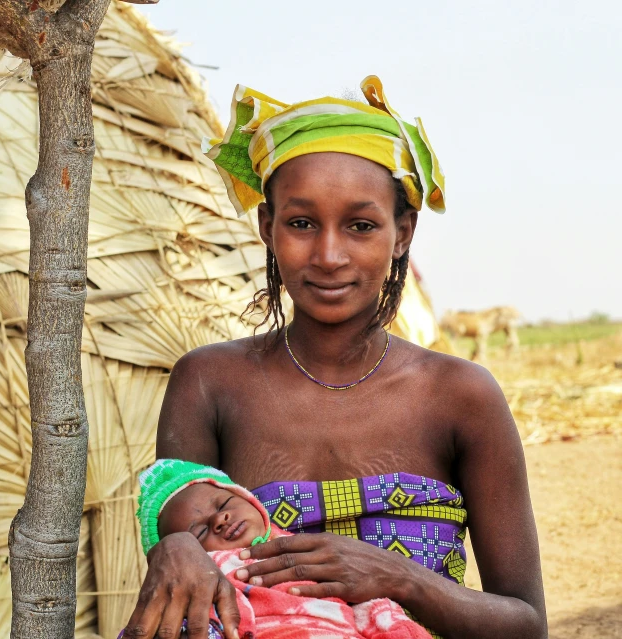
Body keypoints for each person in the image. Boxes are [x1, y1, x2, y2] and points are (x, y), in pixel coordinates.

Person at [123, 76, 547, 639]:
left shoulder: (460, 394)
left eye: (361, 225)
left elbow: (525, 624)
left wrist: (401, 578)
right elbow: (178, 523)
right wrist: (175, 545)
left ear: (402, 234)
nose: (328, 254)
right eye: (301, 223)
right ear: (267, 227)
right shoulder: (208, 382)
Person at [128, 459, 431, 639]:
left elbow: (370, 606)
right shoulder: (212, 575)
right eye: (201, 531)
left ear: (249, 499)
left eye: (224, 504)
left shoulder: (312, 552)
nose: (220, 519)